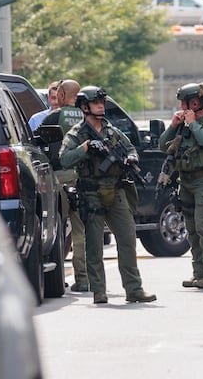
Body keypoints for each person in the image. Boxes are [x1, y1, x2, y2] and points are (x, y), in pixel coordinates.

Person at [59, 85, 156, 304]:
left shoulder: (112, 131)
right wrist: (85, 147)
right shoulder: (77, 133)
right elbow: (64, 159)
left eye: (102, 102)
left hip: (116, 189)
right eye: (96, 103)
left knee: (128, 239)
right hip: (91, 193)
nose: (101, 106)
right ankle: (99, 290)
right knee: (94, 244)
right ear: (84, 107)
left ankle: (134, 289)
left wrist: (132, 159)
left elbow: (131, 149)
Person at [159, 83, 203, 289]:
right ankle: (199, 272)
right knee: (191, 230)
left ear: (196, 102)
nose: (181, 106)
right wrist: (173, 125)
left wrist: (193, 124)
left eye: (185, 102)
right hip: (185, 181)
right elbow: (163, 145)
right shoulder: (183, 124)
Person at [37, 79, 88, 292]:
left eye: (58, 92)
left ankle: (58, 277)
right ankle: (85, 279)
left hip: (58, 179)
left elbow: (36, 143)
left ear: (63, 95)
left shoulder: (53, 117)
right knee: (81, 231)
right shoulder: (88, 119)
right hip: (84, 179)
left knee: (58, 227)